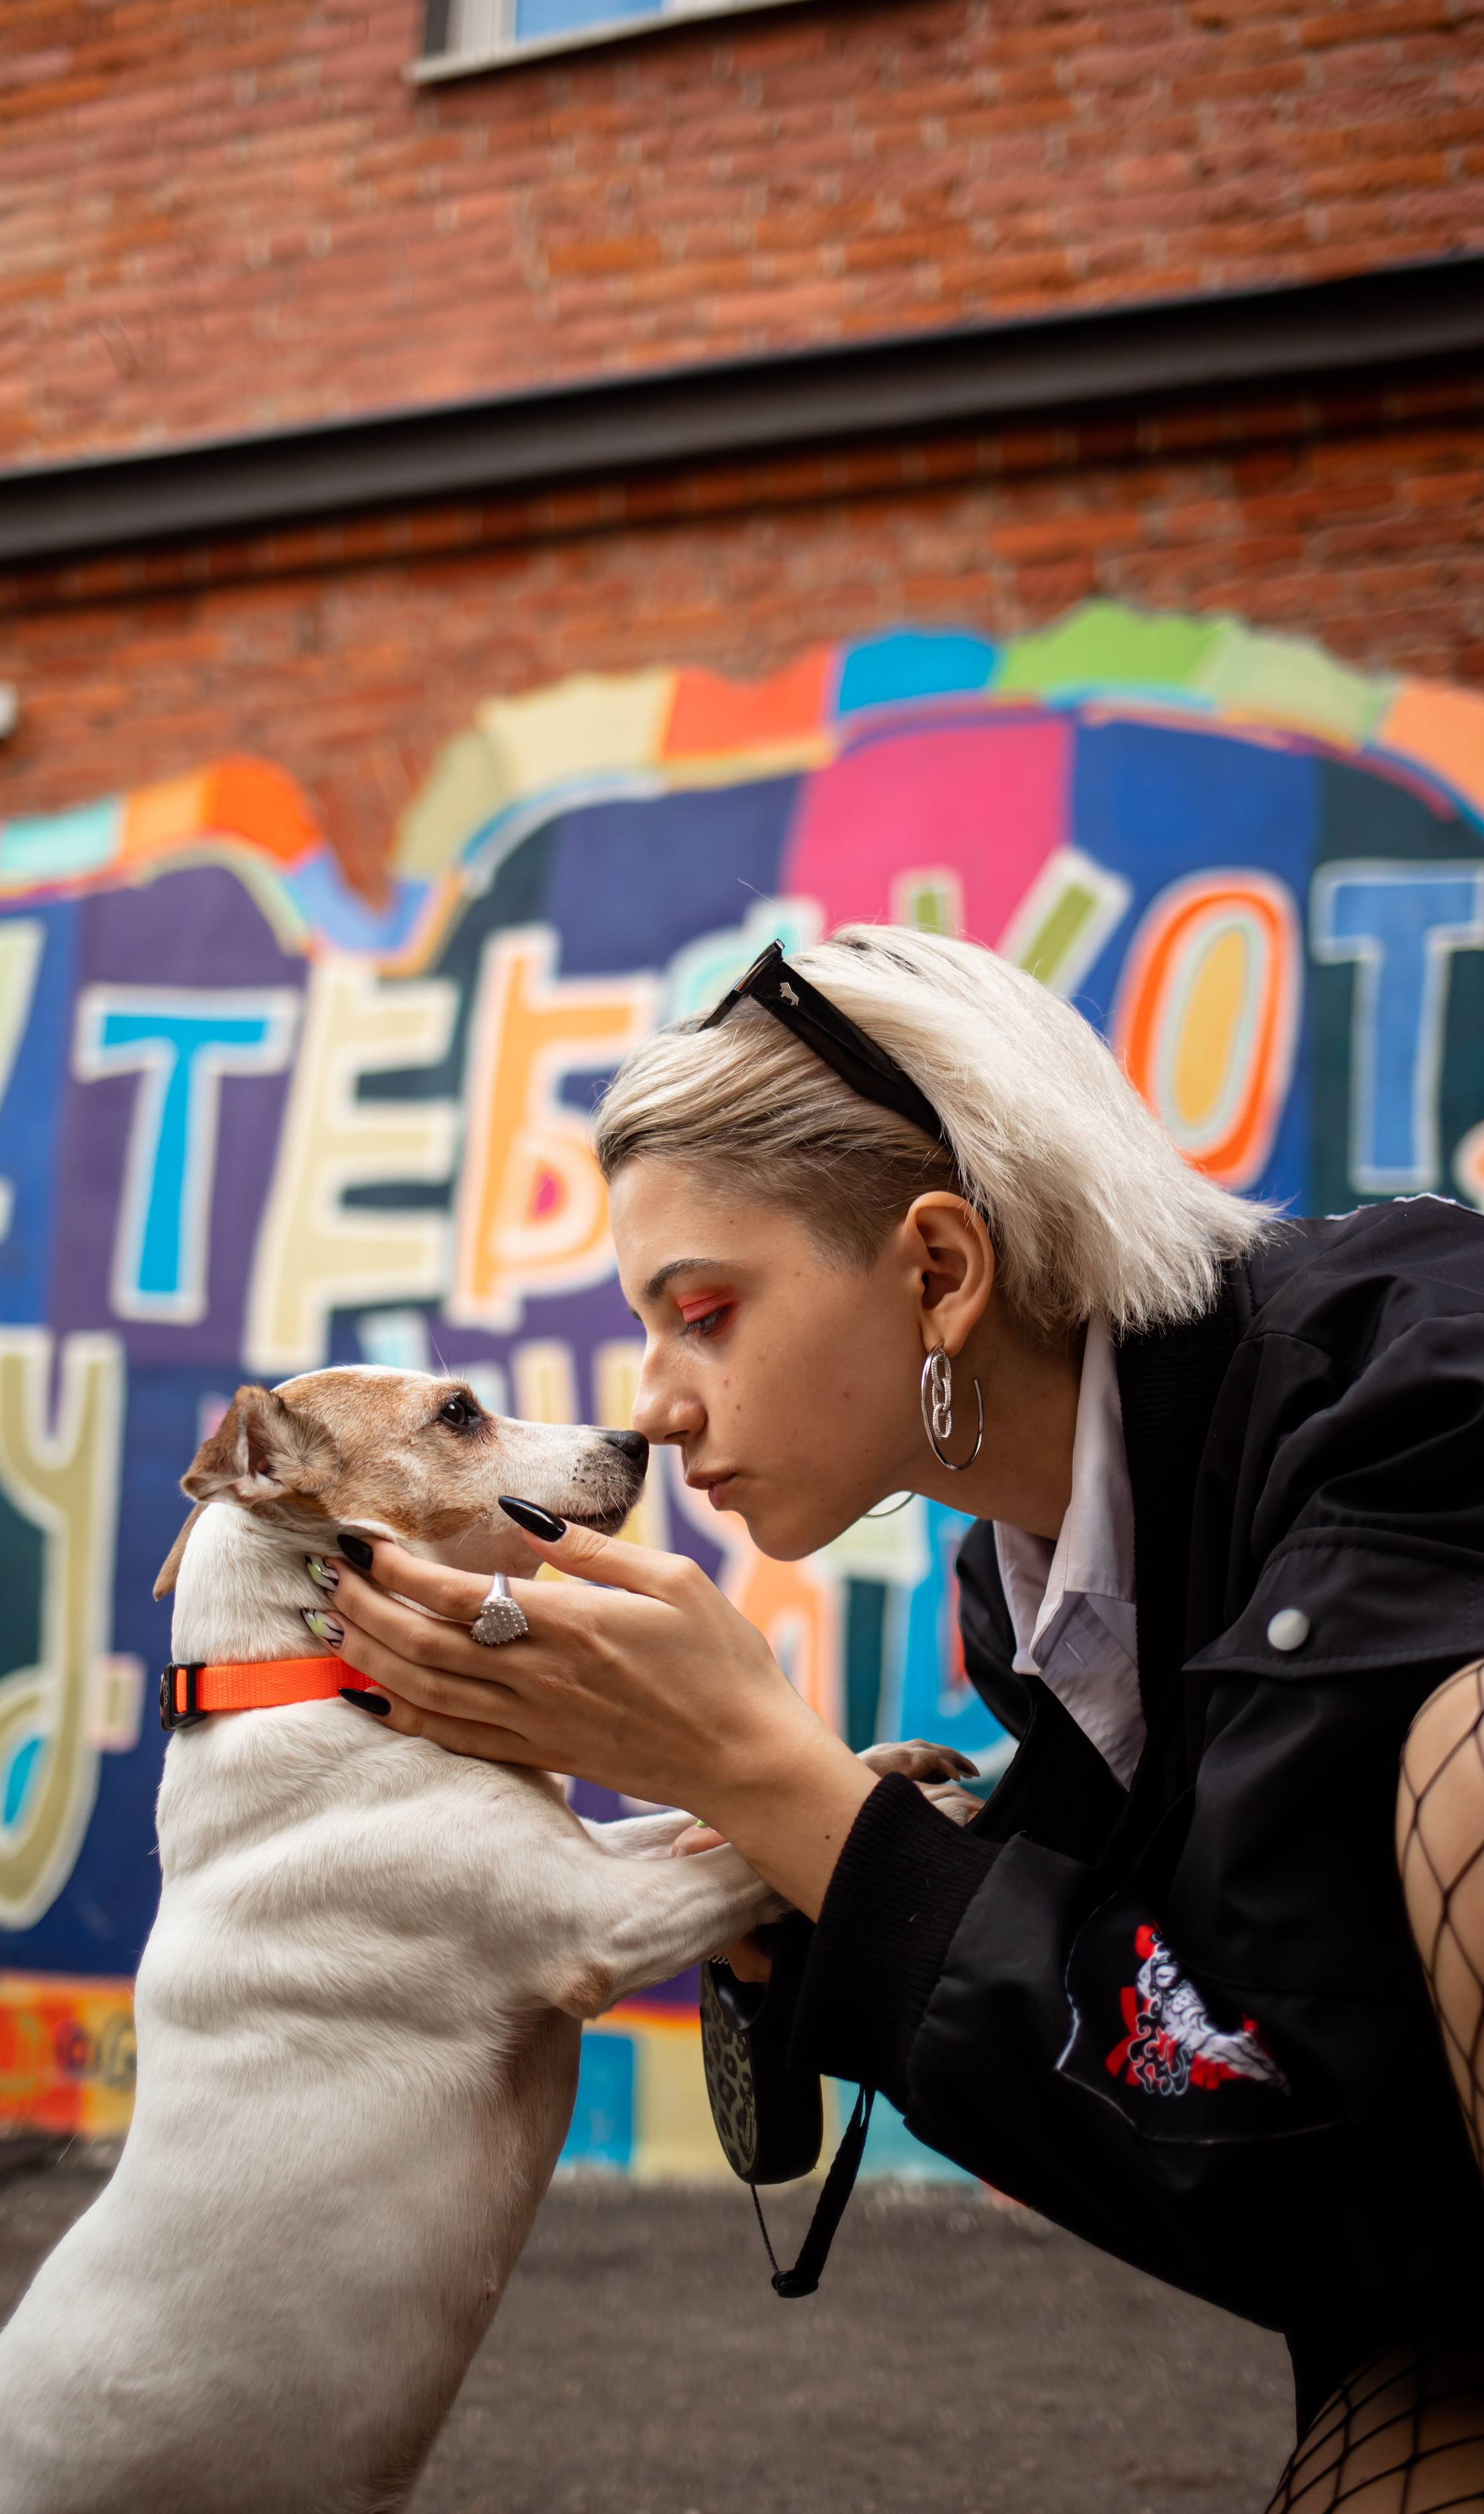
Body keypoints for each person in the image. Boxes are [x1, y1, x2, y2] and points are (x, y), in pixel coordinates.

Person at [321, 925, 1484, 2513]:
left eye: (703, 1311)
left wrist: (768, 1771)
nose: (652, 1404)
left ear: (938, 1269)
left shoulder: (1413, 1390)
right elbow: (1257, 2131)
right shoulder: (1039, 1590)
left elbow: (1326, 2177)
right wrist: (781, 1870)